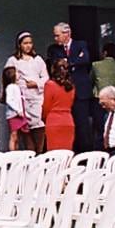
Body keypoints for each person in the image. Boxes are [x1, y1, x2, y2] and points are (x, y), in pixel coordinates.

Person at [46, 22, 98, 152]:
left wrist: (68, 62)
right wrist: (74, 61)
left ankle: (85, 155)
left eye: (57, 35)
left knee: (83, 125)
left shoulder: (80, 45)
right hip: (64, 92)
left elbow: (85, 59)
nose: (55, 38)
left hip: (81, 91)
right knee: (68, 126)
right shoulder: (54, 49)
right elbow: (55, 63)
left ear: (67, 34)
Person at [3, 32, 48, 154]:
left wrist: (36, 84)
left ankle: (39, 154)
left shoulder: (38, 60)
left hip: (37, 98)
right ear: (19, 45)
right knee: (25, 131)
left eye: (30, 43)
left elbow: (46, 78)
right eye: (25, 43)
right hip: (22, 100)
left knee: (38, 128)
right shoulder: (13, 60)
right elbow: (7, 77)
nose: (28, 46)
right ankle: (30, 156)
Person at [42, 58, 77, 152]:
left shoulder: (49, 85)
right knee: (67, 154)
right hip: (68, 121)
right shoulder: (71, 87)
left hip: (54, 121)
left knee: (54, 156)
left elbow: (46, 106)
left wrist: (44, 118)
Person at [2, 66, 30, 152]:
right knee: (13, 134)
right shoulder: (10, 87)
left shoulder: (16, 86)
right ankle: (12, 152)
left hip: (19, 113)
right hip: (14, 114)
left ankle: (16, 151)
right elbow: (9, 100)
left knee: (17, 136)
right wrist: (17, 110)